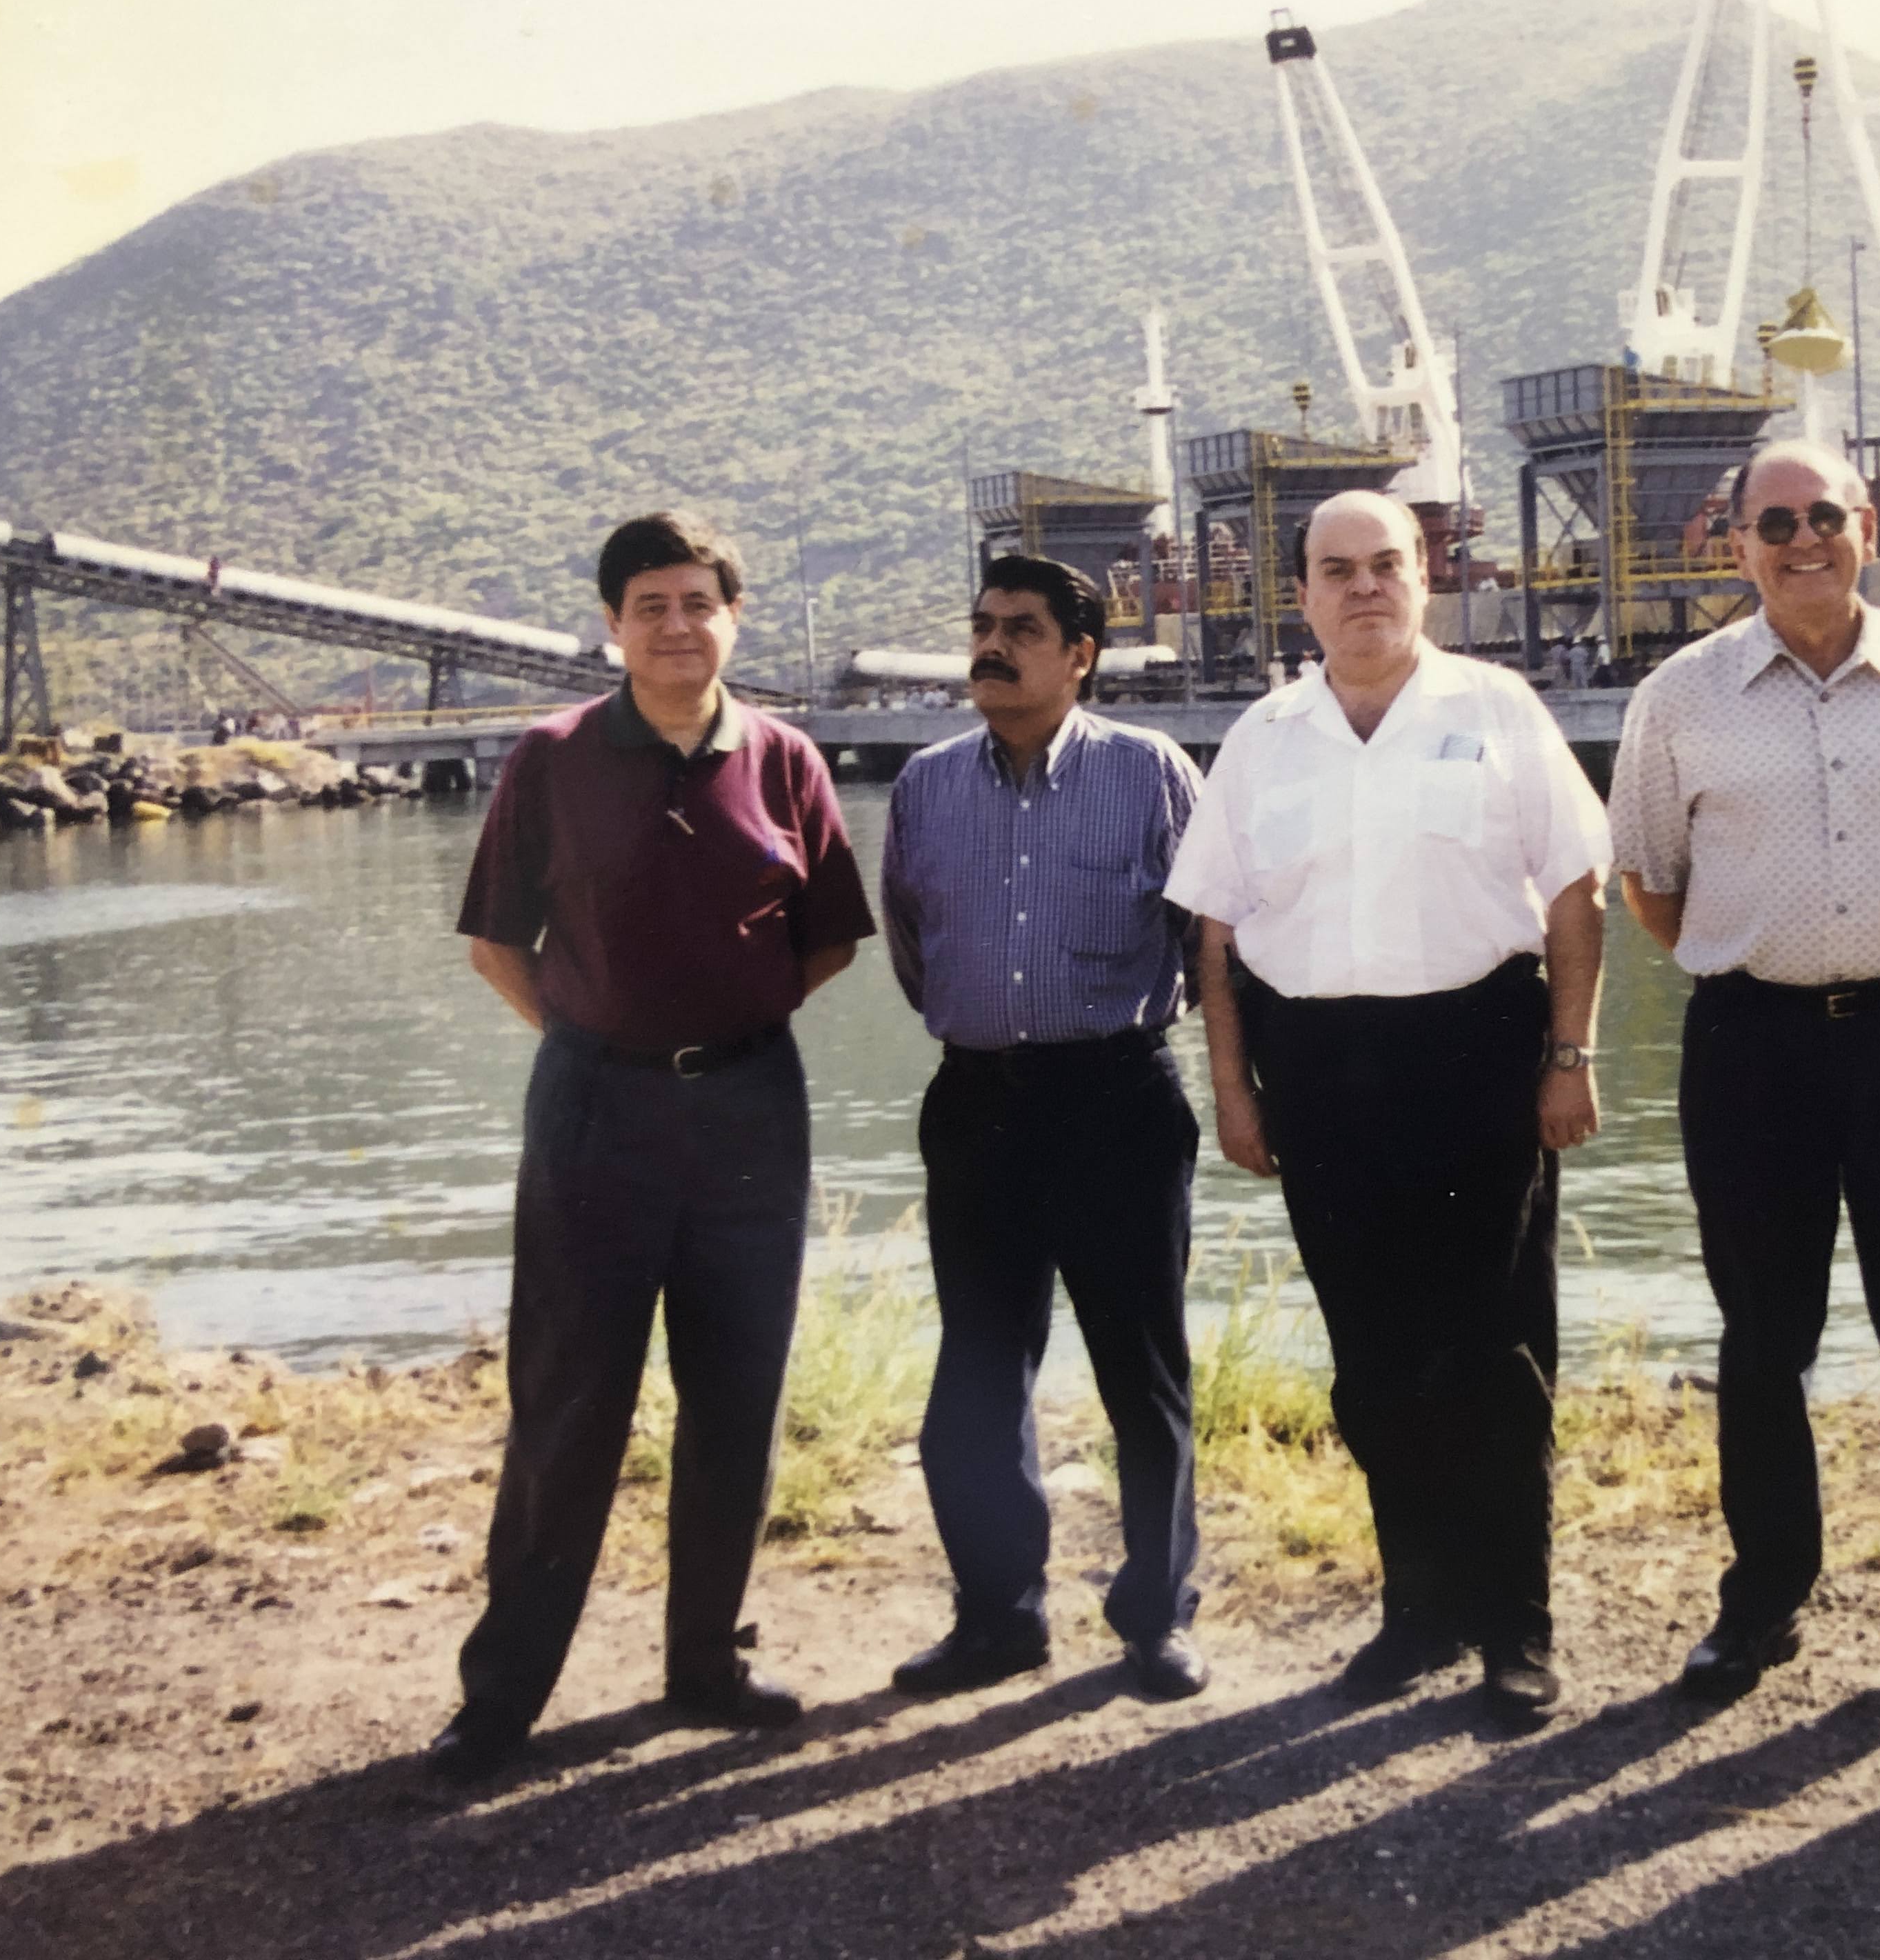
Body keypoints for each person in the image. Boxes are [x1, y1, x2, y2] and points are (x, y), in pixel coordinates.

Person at [429, 509, 874, 1786]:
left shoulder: (784, 757)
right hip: (594, 1116)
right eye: (651, 606)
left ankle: (707, 1666)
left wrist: (720, 1031)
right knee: (569, 1404)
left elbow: (828, 938)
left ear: (732, 617)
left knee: (737, 1396)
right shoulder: (551, 756)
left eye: (698, 603)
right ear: (614, 625)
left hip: (747, 1114)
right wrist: (597, 1037)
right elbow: (496, 946)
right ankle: (504, 1696)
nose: (677, 626)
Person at [1611, 439, 1880, 1711]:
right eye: (1776, 521)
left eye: (1827, 517)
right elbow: (1650, 882)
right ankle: (1763, 1603)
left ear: (1870, 527)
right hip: (1750, 1048)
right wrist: (1768, 967)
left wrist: (1871, 961)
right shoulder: (1679, 699)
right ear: (1735, 542)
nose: (1804, 541)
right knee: (1762, 1338)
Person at [1166, 490, 1610, 1723]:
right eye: (1336, 570)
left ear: (1426, 579)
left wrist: (1569, 1057)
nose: (1363, 588)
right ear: (1301, 594)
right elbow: (1217, 928)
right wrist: (1234, 1092)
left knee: (1495, 1356)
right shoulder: (1265, 735)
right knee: (1374, 1364)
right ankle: (1417, 1609)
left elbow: (1578, 892)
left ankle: (1515, 1625)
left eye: (1386, 566)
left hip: (1475, 1052)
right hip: (1319, 1070)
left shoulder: (1497, 711)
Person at [879, 554, 1210, 1703]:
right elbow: (913, 947)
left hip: (1114, 1098)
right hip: (976, 1103)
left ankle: (1155, 1617)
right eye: (981, 624)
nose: (993, 645)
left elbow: (1205, 944)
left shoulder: (1151, 772)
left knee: (1142, 1372)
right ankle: (997, 1616)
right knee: (976, 1371)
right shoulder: (925, 785)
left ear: (1080, 656)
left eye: (1022, 628)